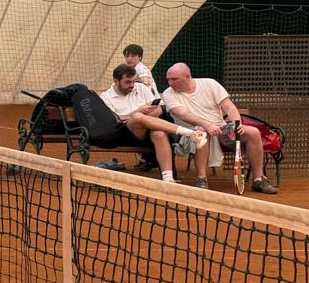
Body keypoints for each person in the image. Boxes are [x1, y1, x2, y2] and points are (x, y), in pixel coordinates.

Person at [162, 63, 277, 194]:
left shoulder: (210, 84)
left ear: (187, 76)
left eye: (174, 79)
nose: (170, 83)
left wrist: (236, 123)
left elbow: (229, 107)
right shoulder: (168, 94)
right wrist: (207, 125)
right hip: (189, 133)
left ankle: (259, 179)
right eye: (168, 79)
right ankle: (201, 179)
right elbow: (183, 114)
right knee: (202, 132)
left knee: (253, 132)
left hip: (220, 128)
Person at [98, 64, 207, 183]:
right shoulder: (105, 97)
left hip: (149, 130)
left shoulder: (141, 87)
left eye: (133, 81)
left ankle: (168, 179)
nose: (132, 85)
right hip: (125, 134)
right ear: (116, 81)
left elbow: (158, 109)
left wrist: (143, 117)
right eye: (128, 82)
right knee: (137, 116)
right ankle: (190, 133)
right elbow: (115, 121)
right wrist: (137, 112)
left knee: (159, 133)